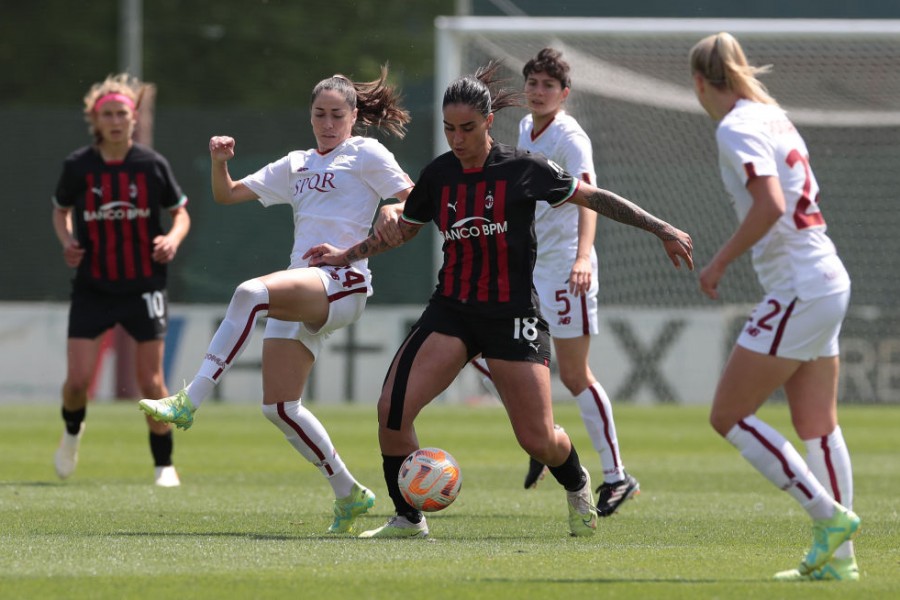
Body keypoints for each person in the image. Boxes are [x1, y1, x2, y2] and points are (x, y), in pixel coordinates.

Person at [305, 63, 693, 539]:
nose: (457, 138)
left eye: (467, 128)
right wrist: (348, 254)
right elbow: (405, 229)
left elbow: (593, 197)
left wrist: (663, 229)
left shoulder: (523, 169)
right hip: (451, 309)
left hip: (512, 315)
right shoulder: (439, 175)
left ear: (488, 123)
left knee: (538, 439)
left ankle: (576, 483)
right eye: (449, 128)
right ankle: (408, 516)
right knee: (392, 409)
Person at [138, 68, 414, 534]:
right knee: (280, 407)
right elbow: (225, 195)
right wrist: (218, 160)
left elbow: (415, 199)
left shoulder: (365, 152)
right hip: (304, 285)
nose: (328, 124)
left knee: (250, 292)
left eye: (337, 115)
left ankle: (190, 400)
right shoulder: (296, 163)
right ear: (310, 117)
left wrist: (393, 206)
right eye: (319, 114)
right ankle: (349, 493)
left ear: (354, 117)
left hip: (342, 283)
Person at [690, 32, 860, 581]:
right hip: (827, 277)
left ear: (698, 83)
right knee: (818, 424)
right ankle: (840, 562)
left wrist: (717, 263)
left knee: (728, 415)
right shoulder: (773, 116)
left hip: (798, 286)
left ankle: (828, 518)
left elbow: (770, 204)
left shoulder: (736, 126)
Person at [468, 48, 640, 515]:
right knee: (489, 355)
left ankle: (617, 476)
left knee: (575, 373)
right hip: (529, 268)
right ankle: (546, 436)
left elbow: (590, 198)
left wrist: (584, 256)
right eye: (532, 83)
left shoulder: (571, 137)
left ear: (565, 94)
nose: (538, 91)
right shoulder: (526, 128)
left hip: (567, 266)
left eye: (548, 85)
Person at [51, 73, 191, 487]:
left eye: (122, 114)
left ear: (133, 119)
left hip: (144, 285)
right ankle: (73, 431)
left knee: (151, 382)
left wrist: (172, 238)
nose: (115, 121)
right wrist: (67, 240)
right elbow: (60, 210)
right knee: (77, 383)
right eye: (107, 114)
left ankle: (164, 465)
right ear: (96, 121)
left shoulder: (151, 165)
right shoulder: (78, 167)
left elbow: (180, 212)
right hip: (93, 286)